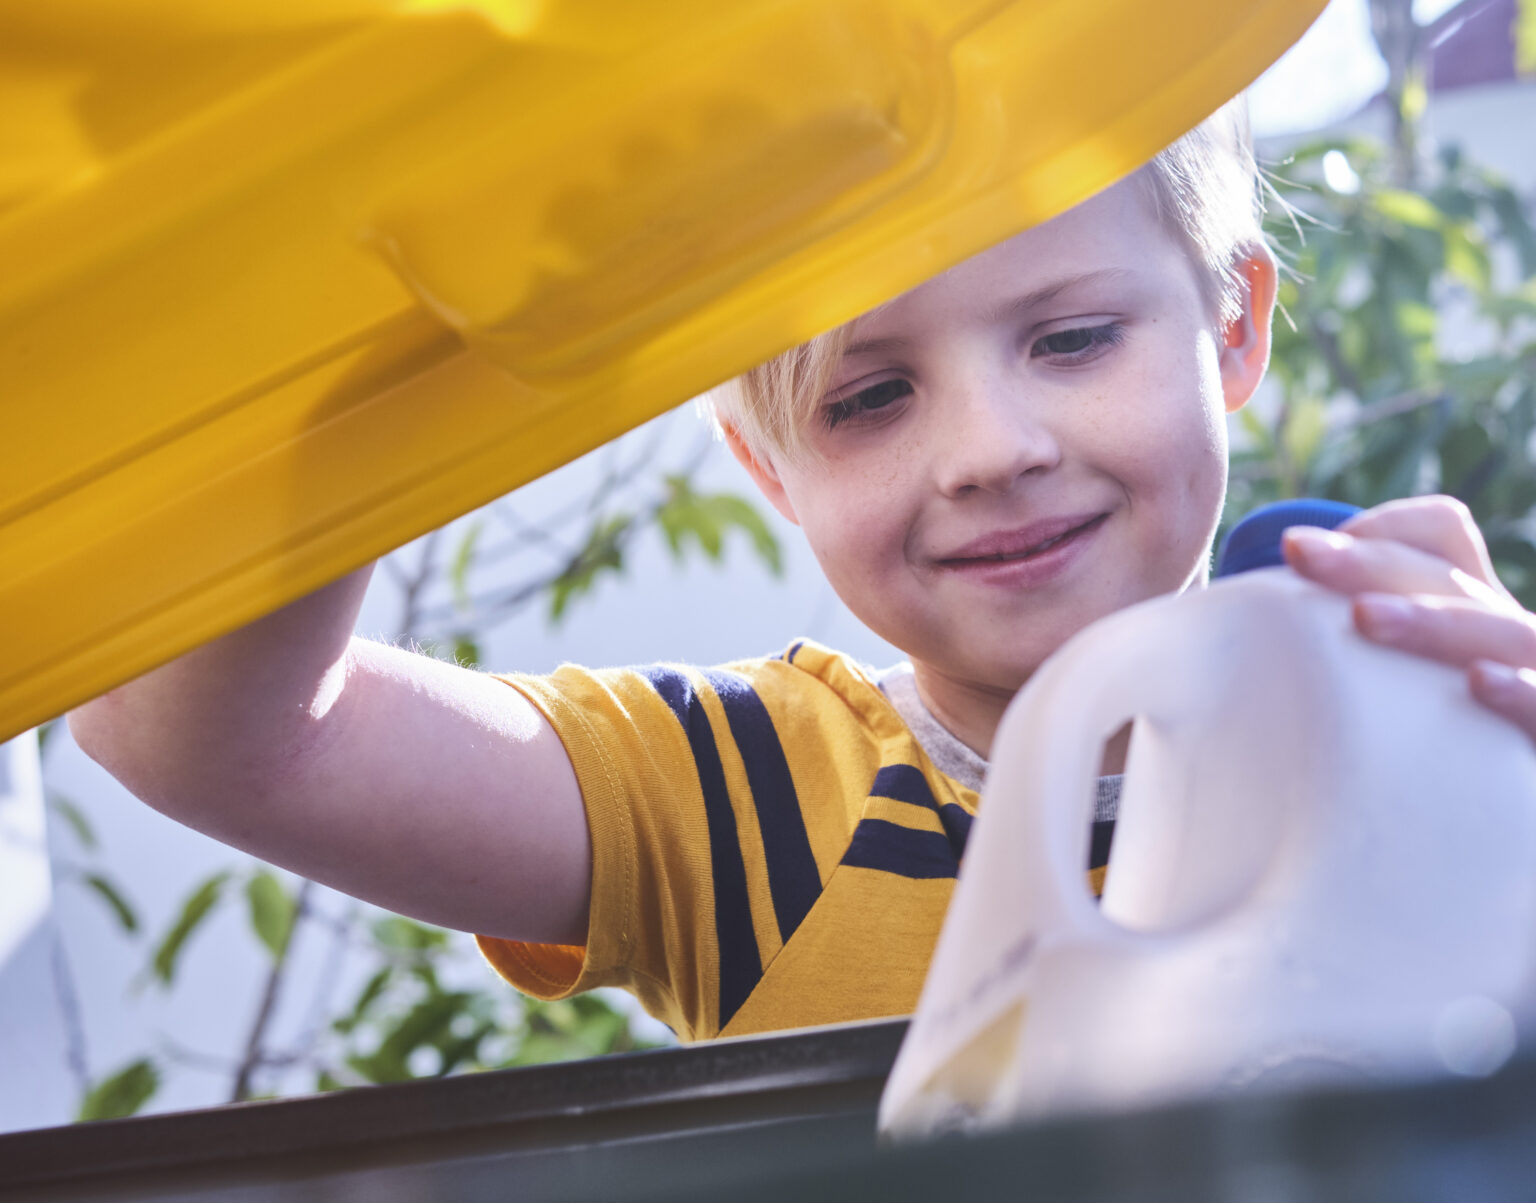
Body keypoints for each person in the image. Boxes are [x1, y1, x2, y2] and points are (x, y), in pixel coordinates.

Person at [69, 101, 1536, 1043]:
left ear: (1233, 324)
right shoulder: (734, 801)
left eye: (1074, 338)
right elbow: (190, 733)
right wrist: (399, 338)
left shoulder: (1413, 702)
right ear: (768, 468)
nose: (990, 450)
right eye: (868, 398)